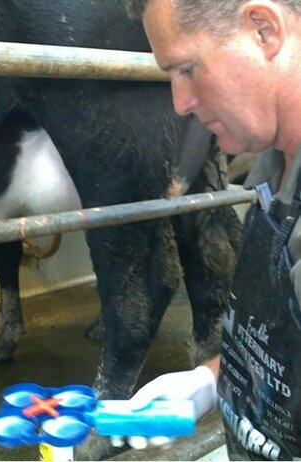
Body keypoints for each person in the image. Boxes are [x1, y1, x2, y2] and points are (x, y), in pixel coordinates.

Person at [118, 0, 301, 460]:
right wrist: (211, 381)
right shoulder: (272, 168)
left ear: (264, 30)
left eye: (188, 69)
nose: (180, 104)